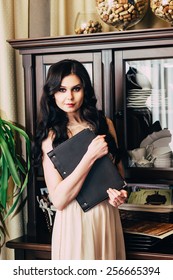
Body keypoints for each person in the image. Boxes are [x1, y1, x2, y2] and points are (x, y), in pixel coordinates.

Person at [35, 59, 127, 260]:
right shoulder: (50, 137)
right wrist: (90, 157)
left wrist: (119, 195)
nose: (69, 97)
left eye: (76, 88)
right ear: (52, 93)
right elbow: (58, 200)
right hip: (73, 221)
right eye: (61, 90)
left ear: (85, 90)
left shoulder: (105, 125)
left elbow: (119, 178)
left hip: (106, 217)